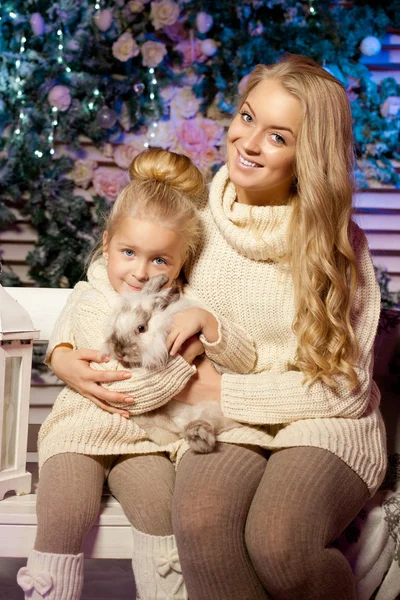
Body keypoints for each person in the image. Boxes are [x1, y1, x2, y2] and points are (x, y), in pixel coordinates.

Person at [34, 54, 386, 600]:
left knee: (279, 544)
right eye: (247, 117)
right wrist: (59, 353)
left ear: (307, 155)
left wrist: (227, 385)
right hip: (219, 422)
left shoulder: (338, 246)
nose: (247, 143)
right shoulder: (197, 216)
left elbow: (345, 391)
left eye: (277, 137)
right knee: (198, 520)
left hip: (324, 424)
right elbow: (107, 276)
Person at [17, 148, 256, 600]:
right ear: (106, 243)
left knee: (160, 509)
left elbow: (243, 359)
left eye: (160, 260)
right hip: (80, 431)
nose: (141, 272)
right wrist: (184, 364)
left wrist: (208, 324)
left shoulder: (182, 305)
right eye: (128, 252)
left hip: (147, 441)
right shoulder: (92, 297)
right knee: (65, 507)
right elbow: (123, 382)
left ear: (182, 262)